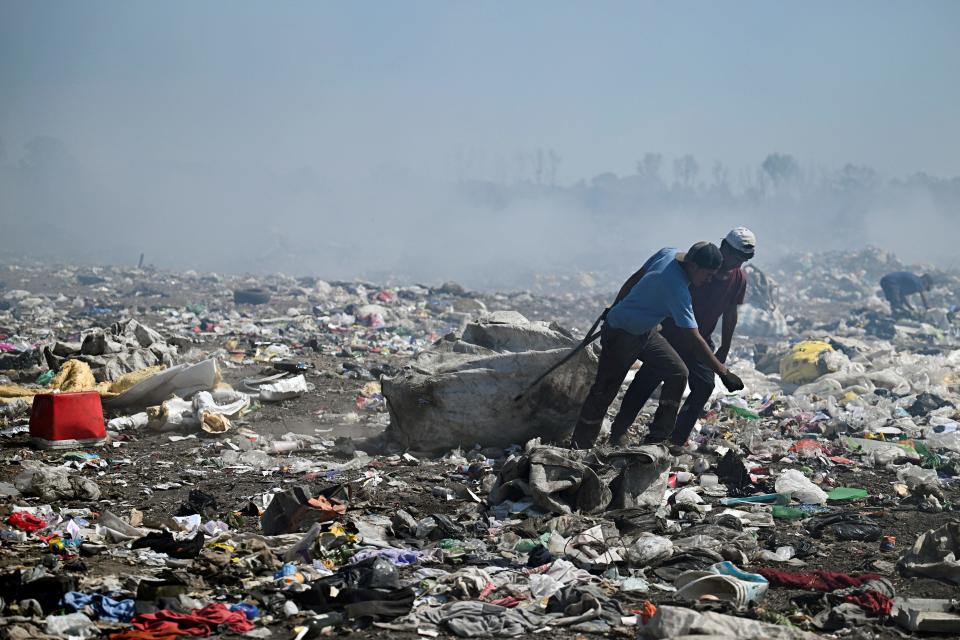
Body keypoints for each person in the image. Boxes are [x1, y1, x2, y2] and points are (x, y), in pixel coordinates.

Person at [569, 242, 744, 450]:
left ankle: (658, 439)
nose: (709, 280)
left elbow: (635, 278)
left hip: (646, 330)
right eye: (708, 274)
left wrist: (615, 305)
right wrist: (723, 372)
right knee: (603, 392)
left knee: (677, 372)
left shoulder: (668, 254)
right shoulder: (676, 289)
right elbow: (695, 339)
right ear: (695, 266)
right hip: (622, 334)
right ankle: (581, 447)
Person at [610, 227, 756, 448]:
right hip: (671, 334)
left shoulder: (738, 279)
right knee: (647, 381)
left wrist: (725, 346)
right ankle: (619, 430)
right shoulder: (699, 268)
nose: (738, 262)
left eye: (743, 259)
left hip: (700, 340)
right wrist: (724, 372)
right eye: (736, 256)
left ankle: (673, 439)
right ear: (724, 247)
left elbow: (730, 312)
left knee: (704, 385)